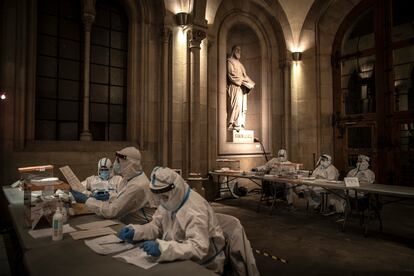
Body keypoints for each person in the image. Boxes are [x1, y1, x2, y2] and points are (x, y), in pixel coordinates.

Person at [118, 167, 226, 274]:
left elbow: (199, 248)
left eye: (164, 197)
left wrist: (163, 249)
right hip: (177, 256)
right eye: (158, 196)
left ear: (175, 190)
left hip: (204, 264)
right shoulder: (171, 200)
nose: (160, 201)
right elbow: (156, 226)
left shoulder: (195, 210)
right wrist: (136, 231)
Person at [71, 147, 156, 224]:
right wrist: (109, 197)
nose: (115, 164)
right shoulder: (129, 179)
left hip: (141, 227)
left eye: (118, 161)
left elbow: (111, 211)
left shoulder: (138, 186)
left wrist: (86, 200)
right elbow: (122, 198)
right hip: (126, 222)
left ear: (129, 164)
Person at [227, 45, 255, 131]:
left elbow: (245, 76)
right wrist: (243, 81)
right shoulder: (230, 61)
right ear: (233, 51)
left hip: (242, 89)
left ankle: (239, 124)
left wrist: (249, 82)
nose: (239, 52)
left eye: (240, 50)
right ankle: (232, 123)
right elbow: (231, 75)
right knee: (235, 105)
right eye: (237, 50)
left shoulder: (241, 65)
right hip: (235, 87)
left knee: (243, 106)